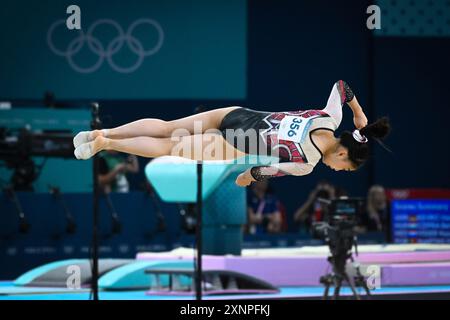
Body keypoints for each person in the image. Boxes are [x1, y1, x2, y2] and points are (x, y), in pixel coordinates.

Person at [73, 80, 391, 187]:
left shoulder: (328, 117)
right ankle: (106, 144)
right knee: (169, 147)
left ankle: (103, 132)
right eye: (343, 168)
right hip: (232, 144)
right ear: (342, 153)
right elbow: (259, 170)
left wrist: (358, 113)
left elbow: (342, 87)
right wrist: (247, 179)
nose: (337, 170)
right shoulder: (305, 163)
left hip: (237, 114)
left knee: (168, 126)